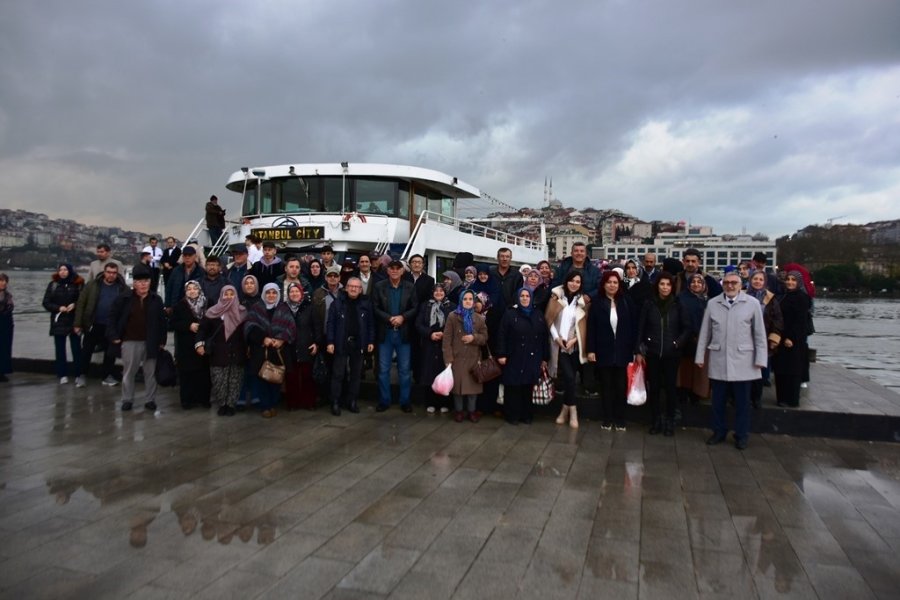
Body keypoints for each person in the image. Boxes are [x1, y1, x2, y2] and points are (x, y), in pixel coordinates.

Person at [695, 271, 768, 450]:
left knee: (742, 403)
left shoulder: (752, 304)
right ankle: (719, 431)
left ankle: (741, 435)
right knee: (717, 401)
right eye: (726, 282)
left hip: (744, 360)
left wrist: (761, 358)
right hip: (719, 359)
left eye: (734, 283)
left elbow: (759, 334)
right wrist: (699, 356)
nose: (730, 286)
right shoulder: (713, 303)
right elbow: (705, 332)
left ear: (741, 284)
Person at [635, 272, 690, 436]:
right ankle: (656, 420)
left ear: (672, 287)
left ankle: (670, 421)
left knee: (671, 389)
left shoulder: (678, 304)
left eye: (668, 284)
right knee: (655, 388)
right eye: (662, 284)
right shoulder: (649, 303)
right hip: (652, 352)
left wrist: (677, 343)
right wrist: (639, 349)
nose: (665, 287)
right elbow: (641, 327)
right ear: (657, 286)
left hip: (671, 353)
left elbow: (687, 328)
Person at [108, 265, 167, 411]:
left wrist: (162, 340)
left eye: (146, 281)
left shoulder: (156, 299)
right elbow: (112, 317)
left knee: (150, 373)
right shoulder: (124, 298)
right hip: (130, 341)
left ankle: (150, 400)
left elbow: (162, 322)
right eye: (140, 282)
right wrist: (114, 336)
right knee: (129, 372)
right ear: (134, 283)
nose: (143, 284)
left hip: (151, 341)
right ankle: (127, 399)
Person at [586, 270, 638, 431]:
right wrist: (591, 350)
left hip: (623, 350)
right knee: (606, 386)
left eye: (615, 282)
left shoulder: (626, 301)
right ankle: (607, 418)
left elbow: (633, 326)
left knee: (621, 386)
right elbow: (591, 328)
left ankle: (620, 418)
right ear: (604, 284)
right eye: (609, 282)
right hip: (604, 350)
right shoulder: (597, 302)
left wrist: (635, 349)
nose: (612, 285)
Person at [496, 287, 549, 425]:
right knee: (513, 387)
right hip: (514, 355)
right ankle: (512, 415)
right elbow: (502, 334)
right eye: (522, 296)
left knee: (527, 386)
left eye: (527, 296)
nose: (525, 298)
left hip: (533, 356)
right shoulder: (510, 314)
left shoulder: (538, 314)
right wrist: (501, 354)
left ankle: (526, 415)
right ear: (518, 298)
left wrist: (545, 357)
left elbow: (544, 336)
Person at [372, 260, 418, 412]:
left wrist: (403, 317)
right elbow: (375, 307)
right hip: (385, 333)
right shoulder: (379, 286)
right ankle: (384, 400)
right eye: (392, 268)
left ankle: (405, 401)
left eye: (398, 268)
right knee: (383, 369)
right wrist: (388, 318)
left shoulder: (410, 287)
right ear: (388, 270)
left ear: (402, 271)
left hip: (403, 334)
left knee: (404, 370)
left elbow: (415, 307)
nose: (395, 271)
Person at [244, 283, 296, 418]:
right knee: (262, 379)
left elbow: (291, 326)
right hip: (261, 349)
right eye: (268, 292)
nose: (271, 295)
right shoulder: (256, 308)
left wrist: (281, 339)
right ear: (264, 294)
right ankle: (265, 406)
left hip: (278, 350)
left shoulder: (283, 308)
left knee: (276, 378)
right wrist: (263, 338)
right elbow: (249, 326)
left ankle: (273, 403)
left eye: (274, 292)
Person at [545, 270, 590, 429]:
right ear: (566, 281)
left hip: (575, 346)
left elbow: (585, 327)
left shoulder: (583, 302)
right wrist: (557, 338)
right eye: (572, 281)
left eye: (578, 282)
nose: (574, 284)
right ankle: (573, 411)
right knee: (570, 378)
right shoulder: (556, 297)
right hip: (559, 345)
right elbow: (549, 320)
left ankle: (565, 410)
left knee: (571, 378)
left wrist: (574, 340)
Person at [73, 262, 128, 387]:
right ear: (104, 272)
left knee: (110, 353)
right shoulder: (92, 285)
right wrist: (77, 324)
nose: (111, 275)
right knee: (86, 351)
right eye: (109, 272)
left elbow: (127, 307)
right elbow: (81, 304)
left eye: (114, 273)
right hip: (93, 324)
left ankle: (106, 376)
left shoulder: (122, 288)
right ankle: (81, 375)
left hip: (112, 326)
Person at [326, 277, 374, 415]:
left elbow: (371, 324)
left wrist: (370, 341)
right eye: (351, 286)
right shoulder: (337, 303)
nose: (353, 289)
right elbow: (330, 324)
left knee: (356, 375)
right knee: (338, 374)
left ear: (360, 289)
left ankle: (352, 401)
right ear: (346, 288)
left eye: (356, 287)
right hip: (341, 342)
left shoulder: (366, 304)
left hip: (358, 343)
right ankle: (335, 402)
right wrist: (330, 342)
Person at [197, 285, 247, 416]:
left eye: (232, 294)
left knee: (234, 380)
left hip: (237, 351)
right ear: (221, 295)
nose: (229, 297)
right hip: (218, 352)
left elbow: (247, 332)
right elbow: (202, 330)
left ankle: (230, 405)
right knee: (219, 380)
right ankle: (222, 403)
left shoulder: (243, 312)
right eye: (226, 294)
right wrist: (199, 344)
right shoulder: (212, 312)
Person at [442, 289, 488, 422]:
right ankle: (459, 411)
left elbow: (485, 337)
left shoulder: (479, 318)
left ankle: (472, 411)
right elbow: (447, 339)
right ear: (461, 301)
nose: (468, 301)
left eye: (470, 299)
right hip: (457, 358)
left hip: (474, 358)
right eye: (465, 299)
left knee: (473, 389)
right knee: (458, 388)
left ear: (474, 302)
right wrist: (448, 359)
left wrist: (473, 338)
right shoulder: (453, 316)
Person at [773, 272, 812, 408]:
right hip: (780, 337)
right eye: (788, 279)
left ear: (799, 282)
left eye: (793, 280)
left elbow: (800, 321)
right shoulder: (783, 295)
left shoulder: (802, 298)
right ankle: (781, 397)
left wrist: (791, 337)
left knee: (793, 370)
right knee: (780, 369)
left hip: (793, 339)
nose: (790, 282)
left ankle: (792, 399)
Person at [170, 281, 211, 410]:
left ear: (199, 290)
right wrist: (188, 326)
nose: (192, 291)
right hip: (186, 345)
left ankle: (203, 400)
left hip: (203, 344)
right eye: (189, 289)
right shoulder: (179, 306)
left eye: (195, 288)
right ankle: (187, 400)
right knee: (187, 375)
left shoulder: (208, 304)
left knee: (203, 374)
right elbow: (173, 323)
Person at [416, 283, 455, 415]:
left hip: (445, 345)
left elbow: (455, 325)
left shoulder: (452, 306)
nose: (439, 293)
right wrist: (430, 334)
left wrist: (444, 334)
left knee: (444, 373)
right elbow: (418, 324)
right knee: (429, 374)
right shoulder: (425, 305)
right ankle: (430, 402)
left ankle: (445, 402)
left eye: (441, 291)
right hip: (429, 344)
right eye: (436, 291)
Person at [43, 263, 84, 384]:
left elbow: (83, 299)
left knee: (76, 348)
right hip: (59, 320)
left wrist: (75, 305)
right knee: (60, 349)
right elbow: (46, 302)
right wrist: (58, 308)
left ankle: (78, 373)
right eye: (60, 270)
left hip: (74, 320)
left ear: (70, 271)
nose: (62, 272)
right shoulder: (53, 285)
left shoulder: (78, 284)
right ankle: (62, 374)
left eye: (65, 270)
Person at [747, 270, 783, 408]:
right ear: (750, 280)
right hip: (744, 338)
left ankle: (756, 398)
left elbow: (777, 319)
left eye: (760, 280)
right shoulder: (742, 295)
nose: (757, 282)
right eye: (755, 279)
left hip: (762, 338)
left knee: (759, 369)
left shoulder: (770, 298)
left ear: (765, 282)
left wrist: (774, 338)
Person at [284, 283, 320, 411]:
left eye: (296, 291)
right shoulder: (284, 308)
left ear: (301, 293)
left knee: (307, 376)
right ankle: (293, 402)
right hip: (289, 346)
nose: (294, 294)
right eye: (291, 292)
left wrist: (316, 342)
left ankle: (308, 401)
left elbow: (316, 327)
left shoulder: (309, 307)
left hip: (306, 345)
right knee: (291, 376)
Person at [677, 273, 711, 403]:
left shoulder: (708, 300)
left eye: (699, 282)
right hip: (685, 338)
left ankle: (697, 393)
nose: (696, 284)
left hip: (703, 339)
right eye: (693, 282)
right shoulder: (681, 298)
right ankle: (683, 392)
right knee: (685, 369)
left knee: (700, 370)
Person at [165, 245, 206, 310]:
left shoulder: (201, 272)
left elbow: (204, 290)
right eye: (185, 255)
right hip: (177, 305)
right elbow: (169, 288)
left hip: (195, 307)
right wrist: (168, 305)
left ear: (195, 256)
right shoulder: (176, 271)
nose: (187, 258)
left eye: (190, 255)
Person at [0, 273, 13, 383]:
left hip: (6, 325)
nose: (3, 283)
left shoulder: (8, 295)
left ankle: (2, 371)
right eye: (1, 281)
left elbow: (9, 308)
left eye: (5, 281)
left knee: (4, 348)